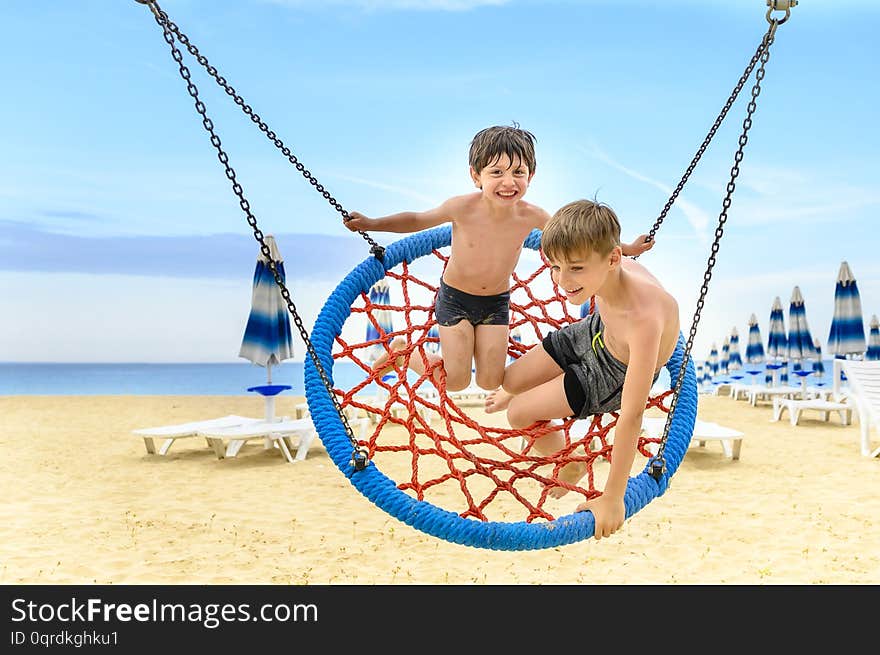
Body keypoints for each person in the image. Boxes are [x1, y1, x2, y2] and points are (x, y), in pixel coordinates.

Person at [344, 125, 653, 393]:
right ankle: (403, 352)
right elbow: (415, 219)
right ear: (476, 176)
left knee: (492, 381)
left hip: (495, 303)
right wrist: (372, 223)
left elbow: (582, 239)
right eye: (496, 173)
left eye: (518, 172)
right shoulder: (462, 207)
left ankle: (418, 354)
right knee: (456, 381)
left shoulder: (531, 215)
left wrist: (627, 249)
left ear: (531, 175)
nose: (509, 182)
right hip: (455, 299)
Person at [484, 198, 679, 541]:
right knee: (508, 379)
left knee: (517, 414)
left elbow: (632, 414)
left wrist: (613, 497)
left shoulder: (644, 320)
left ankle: (573, 461)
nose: (562, 280)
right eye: (555, 267)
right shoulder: (609, 262)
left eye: (574, 268)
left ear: (613, 260)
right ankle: (528, 390)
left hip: (610, 374)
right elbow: (589, 242)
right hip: (593, 331)